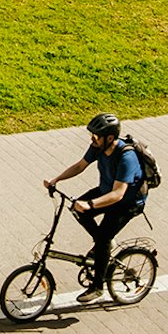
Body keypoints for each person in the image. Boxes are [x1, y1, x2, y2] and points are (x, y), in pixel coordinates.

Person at [44, 112, 148, 304]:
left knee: (103, 237)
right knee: (77, 209)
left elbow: (118, 194)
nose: (92, 138)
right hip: (105, 190)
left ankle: (98, 287)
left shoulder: (127, 157)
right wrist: (56, 179)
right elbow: (80, 166)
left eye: (96, 135)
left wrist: (90, 204)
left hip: (127, 203)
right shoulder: (98, 147)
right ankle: (104, 246)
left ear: (109, 138)